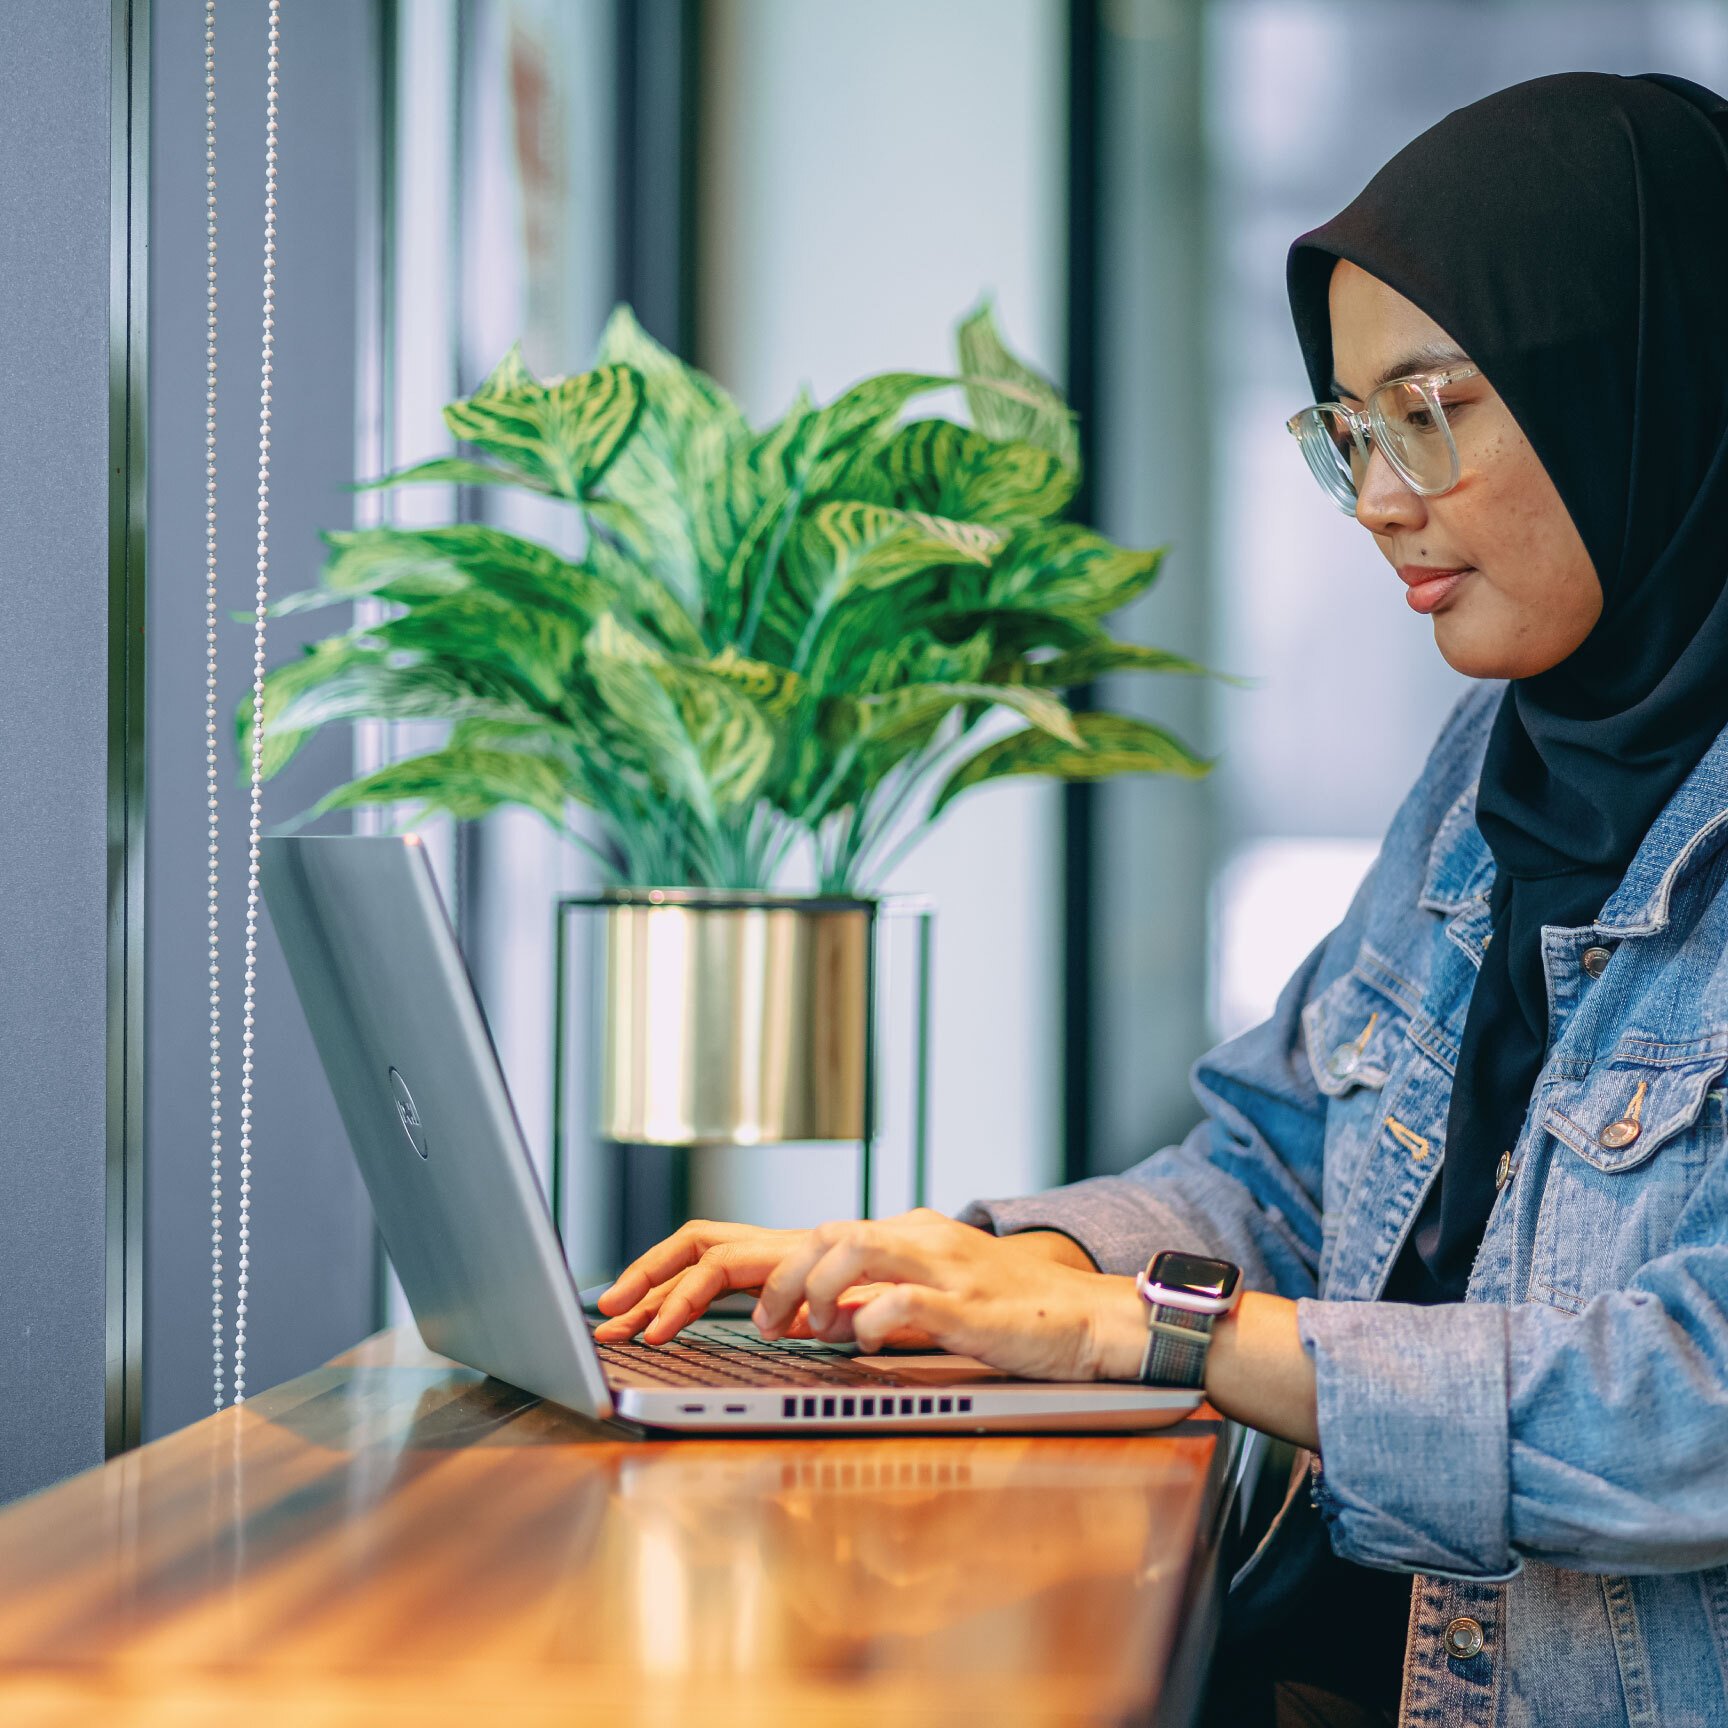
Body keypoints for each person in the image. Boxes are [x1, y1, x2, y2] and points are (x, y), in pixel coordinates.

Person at [594, 71, 1728, 1728]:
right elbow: (1278, 1154)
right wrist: (968, 1268)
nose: (1380, 501)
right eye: (1349, 430)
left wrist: (1149, 1333)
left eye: (1431, 408)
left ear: (1641, 382)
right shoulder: (1497, 761)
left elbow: (1683, 1408)